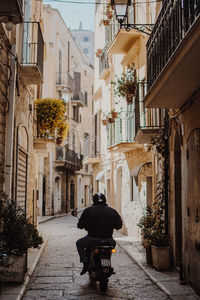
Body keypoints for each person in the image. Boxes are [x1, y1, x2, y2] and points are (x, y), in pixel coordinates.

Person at [76, 192, 123, 275]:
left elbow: (80, 225)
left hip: (92, 239)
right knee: (110, 249)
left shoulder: (88, 210)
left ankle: (85, 263)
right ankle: (107, 263)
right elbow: (119, 226)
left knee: (79, 243)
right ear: (105, 200)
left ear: (94, 200)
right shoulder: (112, 211)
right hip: (109, 240)